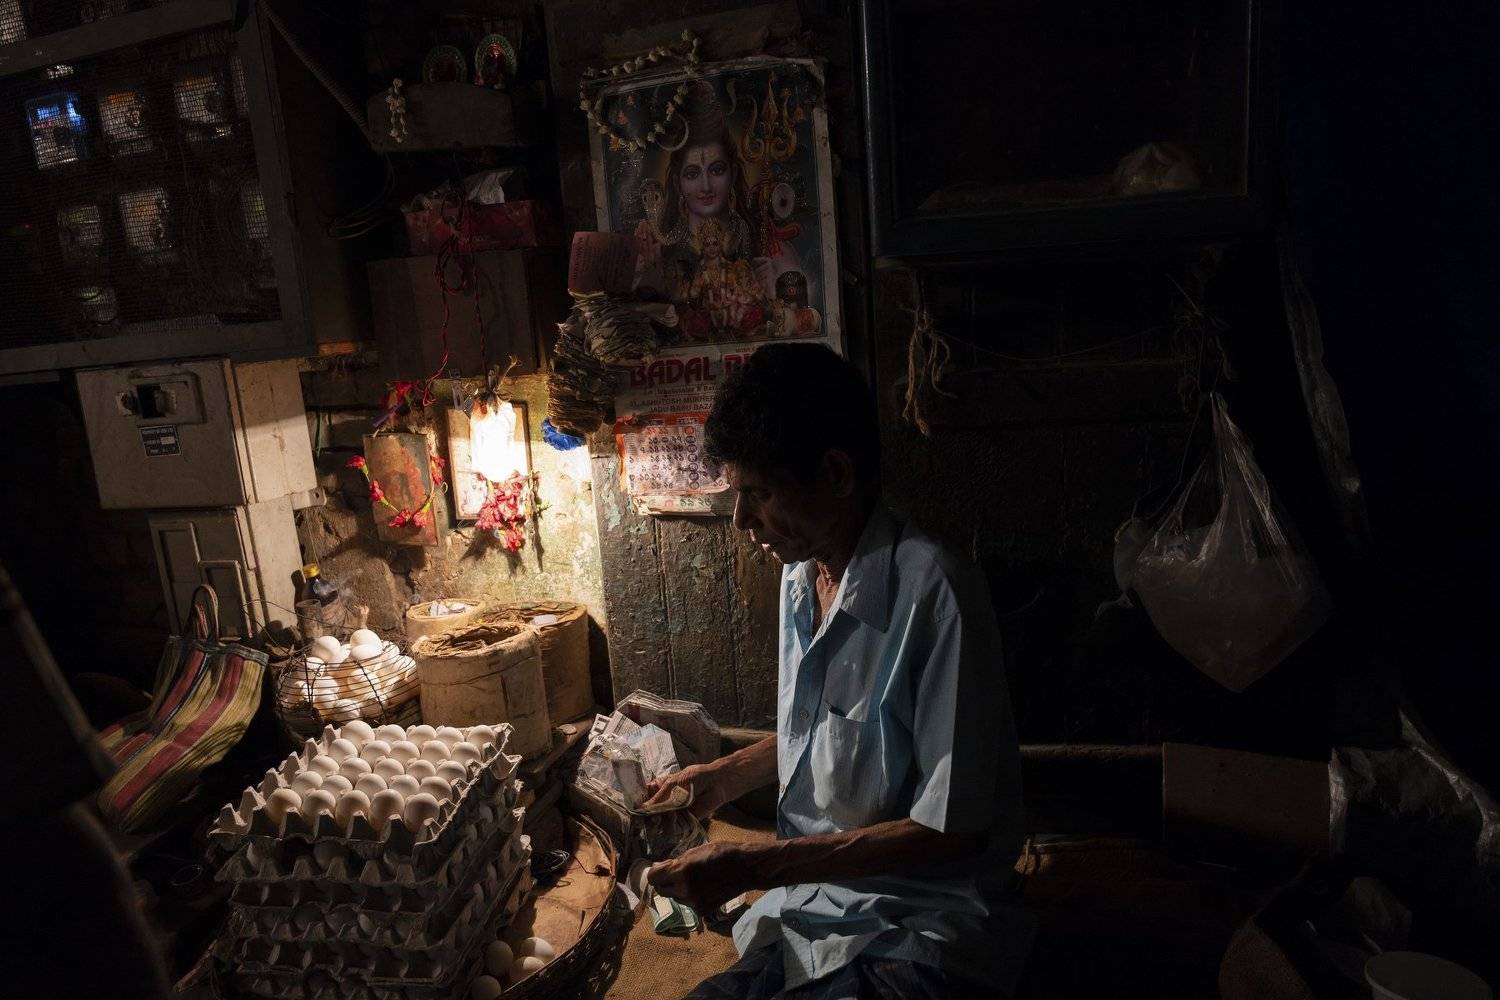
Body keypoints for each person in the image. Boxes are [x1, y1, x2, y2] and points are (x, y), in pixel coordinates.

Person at [644, 344, 1033, 998]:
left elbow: (952, 828)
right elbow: (833, 731)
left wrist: (757, 864)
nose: (742, 520)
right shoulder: (801, 578)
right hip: (810, 907)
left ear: (835, 473)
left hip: (919, 921)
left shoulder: (935, 593)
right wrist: (721, 777)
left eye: (758, 493)